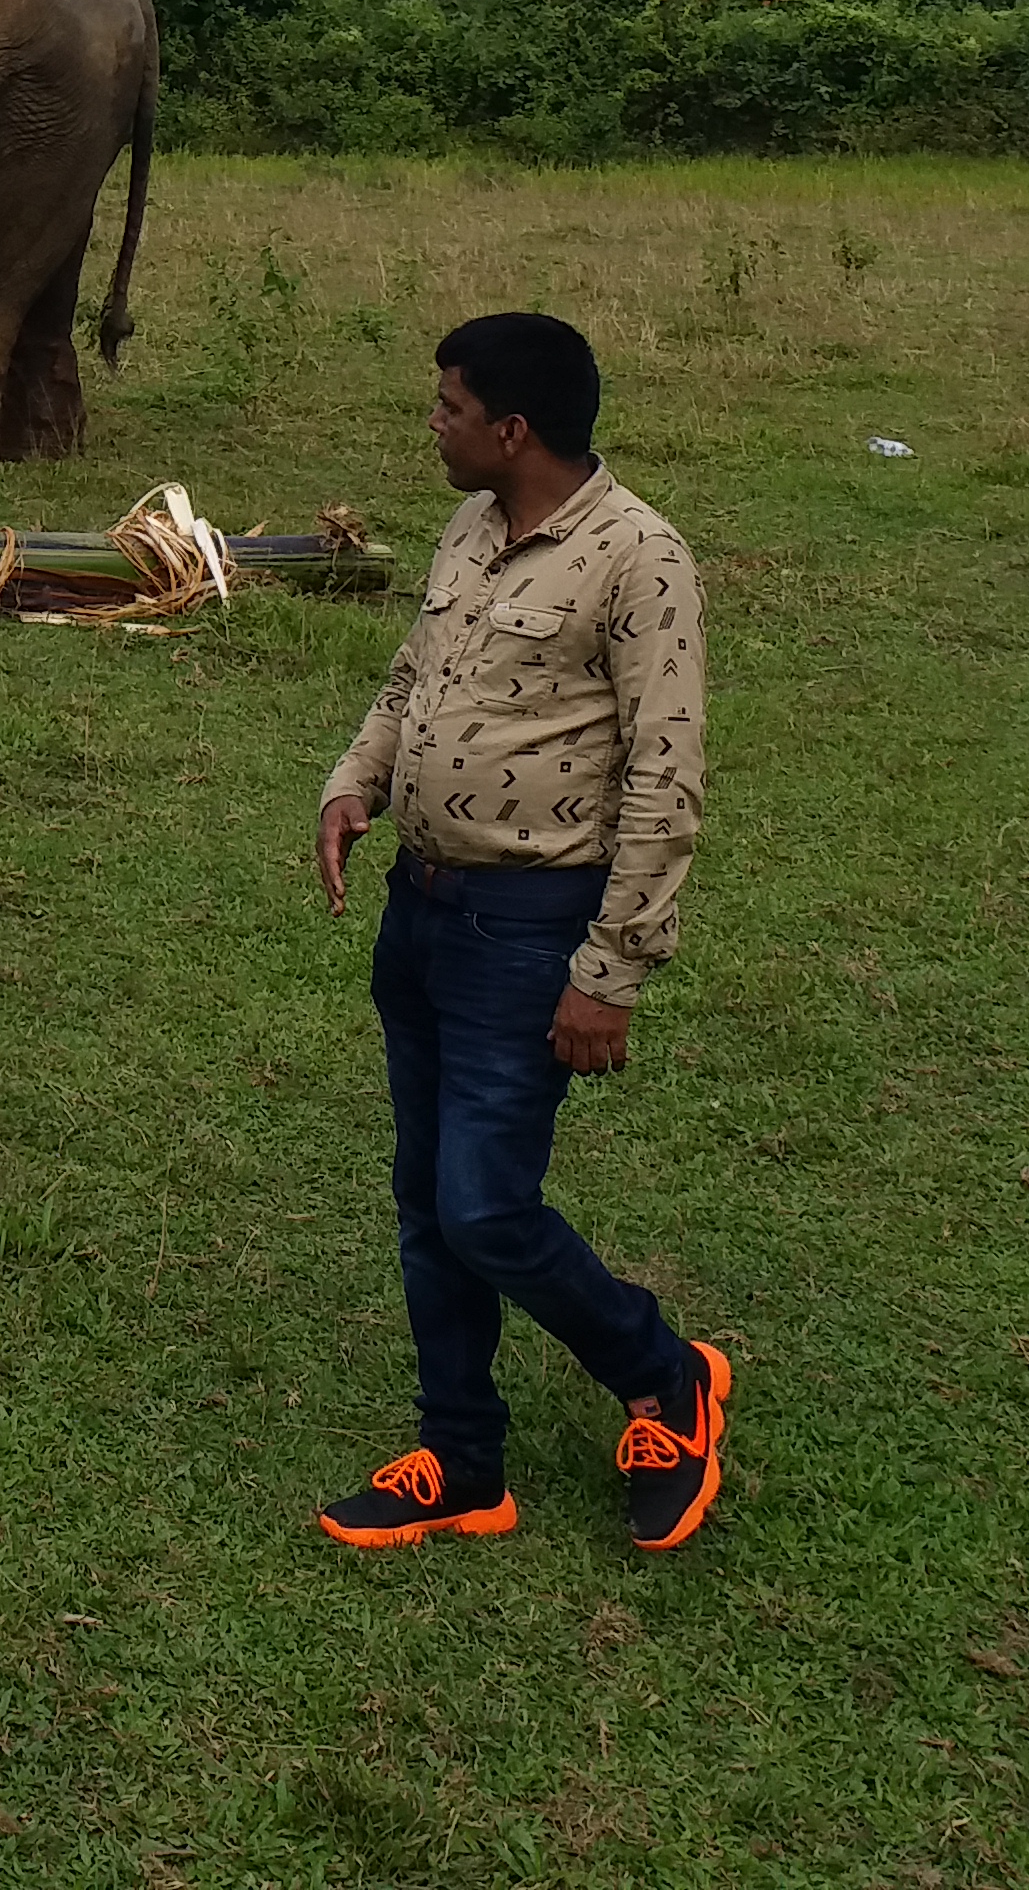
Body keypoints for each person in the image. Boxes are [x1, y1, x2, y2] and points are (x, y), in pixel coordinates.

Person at [311, 311, 728, 1554]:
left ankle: (665, 1374)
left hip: (530, 928)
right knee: (425, 1202)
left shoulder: (639, 560)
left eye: (446, 408)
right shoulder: (470, 527)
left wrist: (610, 972)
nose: (430, 425)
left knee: (485, 1209)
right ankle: (460, 1460)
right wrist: (356, 781)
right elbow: (413, 677)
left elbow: (668, 778)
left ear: (513, 429)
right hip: (424, 911)